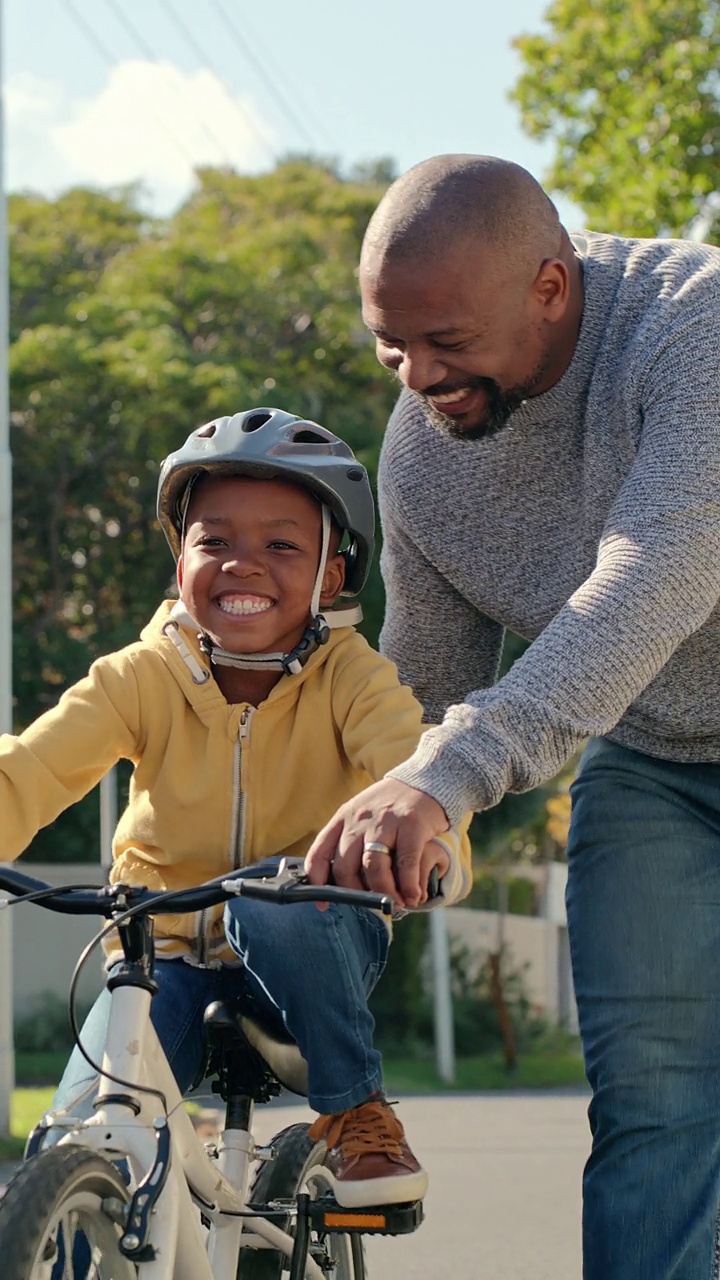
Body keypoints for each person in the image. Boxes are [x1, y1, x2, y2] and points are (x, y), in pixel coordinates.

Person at [304, 154, 720, 1278]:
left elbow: (661, 572)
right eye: (391, 343)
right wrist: (348, 847)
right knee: (653, 1104)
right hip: (655, 762)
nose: (417, 376)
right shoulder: (422, 454)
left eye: (445, 341)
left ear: (550, 286)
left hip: (650, 678)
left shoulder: (694, 327)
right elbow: (422, 694)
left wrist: (454, 773)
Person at [0, 405, 472, 1209]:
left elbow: (417, 774)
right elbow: (31, 770)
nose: (242, 565)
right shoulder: (140, 676)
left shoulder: (354, 680)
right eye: (213, 540)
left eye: (281, 545)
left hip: (313, 936)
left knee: (273, 901)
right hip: (166, 958)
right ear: (178, 556)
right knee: (80, 1136)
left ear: (331, 574)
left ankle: (355, 1109)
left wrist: (430, 850)